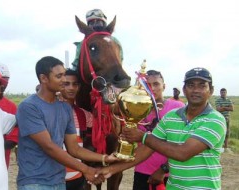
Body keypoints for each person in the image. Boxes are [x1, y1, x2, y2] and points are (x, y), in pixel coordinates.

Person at [97, 67, 226, 190]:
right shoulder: (171, 116)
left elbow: (182, 153)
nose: (196, 90)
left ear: (211, 90)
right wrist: (110, 170)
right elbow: (146, 149)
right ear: (184, 89)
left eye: (202, 85)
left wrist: (143, 136)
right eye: (191, 85)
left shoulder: (215, 120)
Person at [16, 56, 117, 190]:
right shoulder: (29, 107)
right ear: (44, 78)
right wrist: (86, 169)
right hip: (35, 182)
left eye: (64, 75)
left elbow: (74, 149)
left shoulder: (65, 108)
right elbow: (50, 147)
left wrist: (105, 158)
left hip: (59, 181)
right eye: (59, 76)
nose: (64, 80)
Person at [132, 70, 184, 190]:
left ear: (164, 86)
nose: (152, 89)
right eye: (148, 85)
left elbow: (183, 145)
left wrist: (163, 170)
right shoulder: (136, 109)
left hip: (170, 173)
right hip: (142, 170)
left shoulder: (178, 108)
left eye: (156, 84)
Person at [61, 69, 93, 190]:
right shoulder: (49, 111)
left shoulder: (84, 115)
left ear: (79, 87)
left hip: (76, 178)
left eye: (75, 84)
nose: (71, 88)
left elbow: (102, 128)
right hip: (53, 179)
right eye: (66, 84)